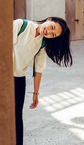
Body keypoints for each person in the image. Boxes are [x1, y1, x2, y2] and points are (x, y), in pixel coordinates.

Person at [12, 17, 72, 145]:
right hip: (1, 76)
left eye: (53, 34)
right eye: (52, 27)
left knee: (17, 117)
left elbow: (38, 69)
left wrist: (35, 93)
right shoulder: (20, 25)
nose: (49, 32)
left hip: (18, 80)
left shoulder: (42, 44)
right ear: (49, 19)